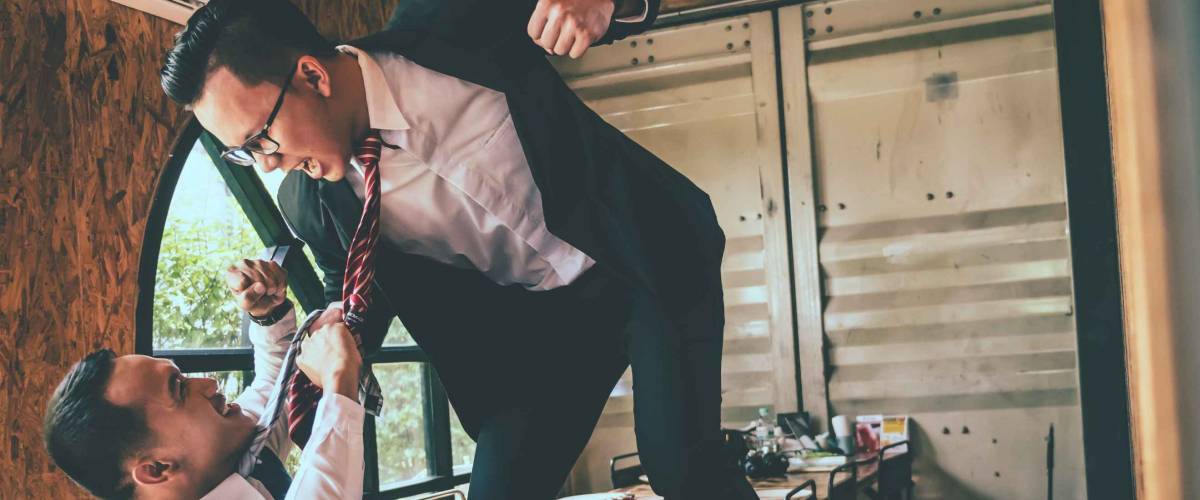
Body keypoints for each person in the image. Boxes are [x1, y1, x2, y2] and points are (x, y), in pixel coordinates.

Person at [160, 0, 758, 498]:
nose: (266, 164)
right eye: (245, 154)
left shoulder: (448, 20)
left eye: (262, 138)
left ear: (313, 76)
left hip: (642, 256)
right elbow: (358, 288)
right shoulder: (310, 203)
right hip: (545, 329)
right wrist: (305, 323)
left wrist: (605, 4)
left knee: (683, 468)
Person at [43, 259, 365, 499]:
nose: (209, 384)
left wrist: (270, 318)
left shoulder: (226, 454)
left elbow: (274, 388)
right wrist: (339, 382)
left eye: (182, 376)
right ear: (156, 469)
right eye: (179, 389)